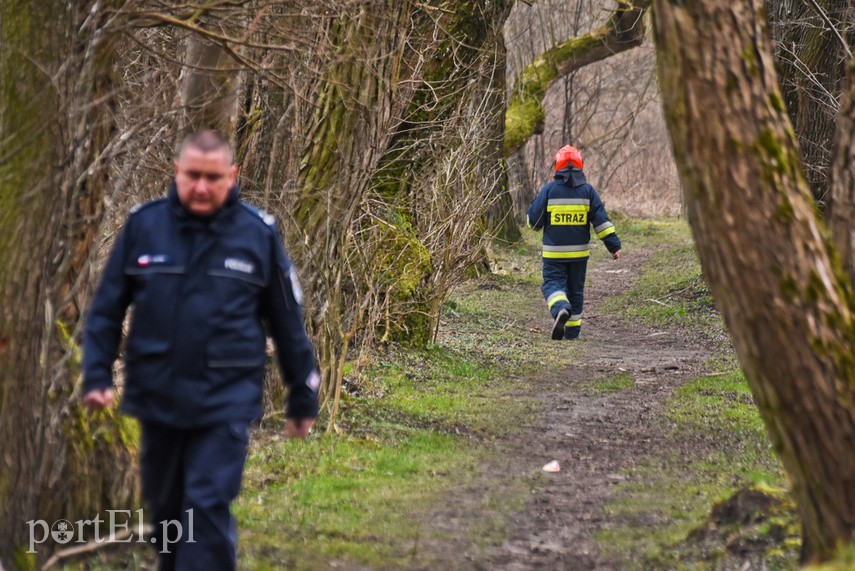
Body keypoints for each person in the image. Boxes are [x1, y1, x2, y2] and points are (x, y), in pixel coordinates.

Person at [82, 130, 320, 570]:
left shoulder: (258, 235)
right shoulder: (144, 226)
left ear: (233, 175)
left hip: (224, 401)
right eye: (193, 175)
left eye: (213, 177)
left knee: (206, 509)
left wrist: (302, 396)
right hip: (157, 398)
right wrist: (97, 375)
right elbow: (105, 311)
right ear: (177, 172)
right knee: (169, 522)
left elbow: (288, 323)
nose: (202, 187)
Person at [527, 145, 622, 340]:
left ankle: (561, 308)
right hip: (579, 255)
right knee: (576, 291)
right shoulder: (587, 191)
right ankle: (572, 332)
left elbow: (533, 222)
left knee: (552, 285)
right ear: (581, 166)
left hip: (554, 254)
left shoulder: (549, 190)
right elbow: (602, 222)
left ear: (557, 166)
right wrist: (614, 246)